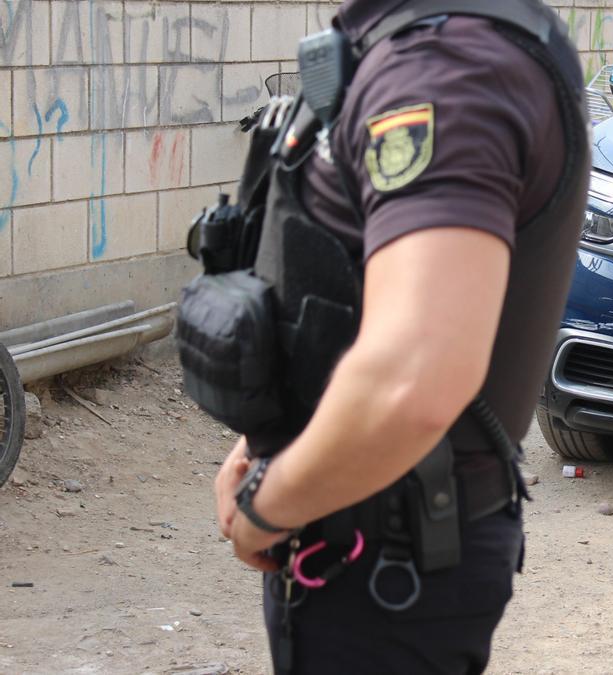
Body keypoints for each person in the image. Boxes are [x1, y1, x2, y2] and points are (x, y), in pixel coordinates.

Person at [207, 1, 588, 671]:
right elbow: (351, 290)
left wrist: (265, 506)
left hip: (385, 556)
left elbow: (414, 375)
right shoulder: (421, 39)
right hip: (372, 539)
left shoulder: (444, 70)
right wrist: (264, 441)